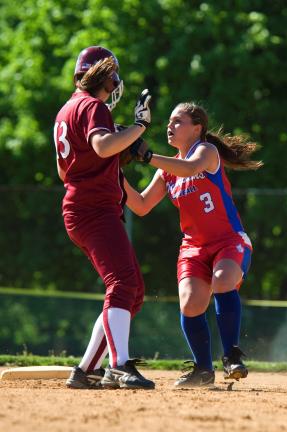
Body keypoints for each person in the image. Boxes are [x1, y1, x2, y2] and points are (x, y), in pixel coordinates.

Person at [124, 102, 263, 388]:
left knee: (223, 280)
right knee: (190, 303)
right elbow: (140, 205)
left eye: (178, 121)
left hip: (228, 240)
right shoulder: (166, 172)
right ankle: (202, 369)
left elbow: (189, 168)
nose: (169, 126)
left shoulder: (205, 152)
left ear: (197, 128)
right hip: (194, 248)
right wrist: (111, 176)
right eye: (169, 122)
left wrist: (148, 156)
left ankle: (231, 355)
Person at [53, 45, 155, 390]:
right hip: (93, 210)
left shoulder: (68, 108)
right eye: (112, 79)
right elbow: (100, 146)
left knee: (132, 291)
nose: (114, 86)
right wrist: (139, 126)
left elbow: (66, 168)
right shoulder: (92, 106)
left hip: (84, 207)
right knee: (123, 283)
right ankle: (119, 365)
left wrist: (112, 158)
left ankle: (87, 370)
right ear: (106, 77)